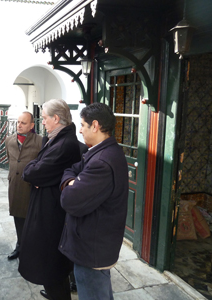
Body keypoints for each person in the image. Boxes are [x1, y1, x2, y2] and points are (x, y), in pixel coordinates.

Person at [59, 103, 128, 300]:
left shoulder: (101, 162)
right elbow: (72, 168)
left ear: (95, 125)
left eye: (82, 125)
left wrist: (70, 184)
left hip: (92, 247)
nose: (79, 130)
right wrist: (72, 181)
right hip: (97, 244)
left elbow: (69, 200)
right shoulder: (103, 151)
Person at [19, 99, 81, 300]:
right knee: (50, 264)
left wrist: (36, 172)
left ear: (56, 118)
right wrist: (36, 169)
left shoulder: (65, 144)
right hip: (47, 207)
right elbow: (35, 167)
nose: (42, 122)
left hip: (52, 213)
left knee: (52, 264)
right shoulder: (54, 139)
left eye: (44, 118)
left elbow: (32, 173)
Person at [5, 112, 42, 260]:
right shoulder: (9, 140)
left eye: (23, 123)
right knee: (17, 218)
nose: (19, 125)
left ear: (32, 125)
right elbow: (10, 160)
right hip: (15, 186)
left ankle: (32, 248)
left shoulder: (40, 141)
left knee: (32, 220)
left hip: (31, 187)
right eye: (18, 122)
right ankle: (19, 246)